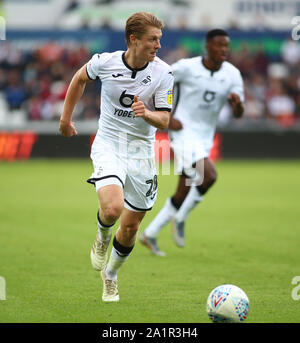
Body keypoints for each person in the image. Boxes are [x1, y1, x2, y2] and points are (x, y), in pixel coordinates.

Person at [59, 12, 174, 301]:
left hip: (141, 152)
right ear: (133, 39)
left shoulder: (164, 73)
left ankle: (110, 275)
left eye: (160, 39)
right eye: (153, 39)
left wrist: (146, 113)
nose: (158, 45)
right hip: (109, 143)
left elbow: (165, 120)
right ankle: (101, 238)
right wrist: (65, 119)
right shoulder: (105, 62)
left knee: (132, 225)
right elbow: (79, 78)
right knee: (112, 209)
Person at [139, 29, 244, 256]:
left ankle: (150, 234)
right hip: (183, 132)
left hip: (206, 136)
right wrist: (165, 115)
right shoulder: (187, 67)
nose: (223, 50)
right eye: (218, 45)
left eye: (226, 46)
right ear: (207, 46)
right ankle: (181, 218)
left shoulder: (233, 74)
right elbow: (159, 79)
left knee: (183, 191)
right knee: (209, 176)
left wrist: (237, 104)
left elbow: (238, 114)